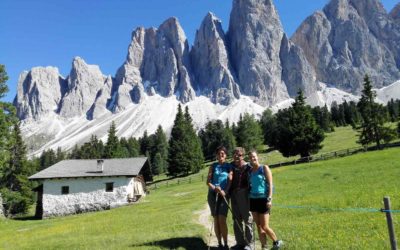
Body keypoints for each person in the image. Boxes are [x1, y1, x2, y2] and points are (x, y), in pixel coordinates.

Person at [248, 150, 283, 250]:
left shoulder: (264, 168)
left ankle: (276, 242)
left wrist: (270, 199)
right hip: (253, 200)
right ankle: (264, 246)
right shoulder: (250, 171)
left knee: (265, 226)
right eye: (250, 157)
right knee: (258, 226)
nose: (252, 159)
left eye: (254, 156)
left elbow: (270, 185)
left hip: (263, 200)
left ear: (257, 157)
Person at [207, 146, 233, 249]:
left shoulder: (229, 166)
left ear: (226, 155)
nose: (220, 155)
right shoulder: (212, 166)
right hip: (213, 195)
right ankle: (219, 243)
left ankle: (226, 243)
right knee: (216, 219)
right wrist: (215, 188)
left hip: (224, 195)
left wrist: (225, 191)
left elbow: (230, 180)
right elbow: (208, 182)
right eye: (218, 153)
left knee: (222, 219)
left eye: (222, 153)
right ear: (216, 155)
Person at [229, 147, 254, 250]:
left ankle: (249, 244)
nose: (236, 156)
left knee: (247, 219)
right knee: (236, 219)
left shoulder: (248, 167)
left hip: (244, 194)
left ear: (243, 156)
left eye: (239, 155)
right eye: (234, 154)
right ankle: (239, 243)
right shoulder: (230, 166)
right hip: (233, 195)